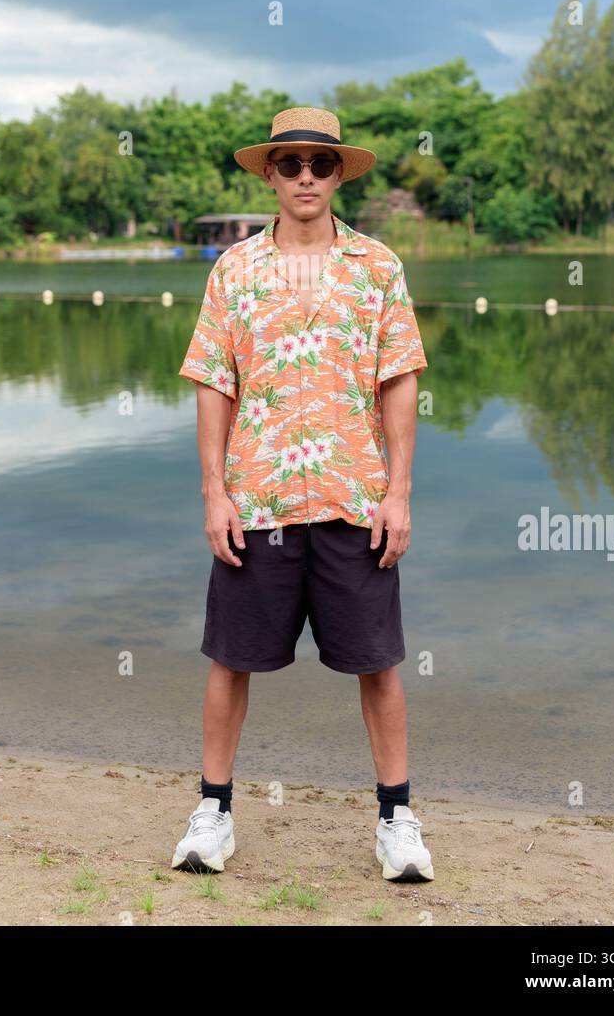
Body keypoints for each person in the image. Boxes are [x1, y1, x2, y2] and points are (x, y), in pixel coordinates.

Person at [172, 107, 433, 882]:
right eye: (290, 164)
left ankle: (397, 822)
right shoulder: (234, 270)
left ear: (340, 172)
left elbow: (400, 378)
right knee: (230, 660)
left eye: (321, 164)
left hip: (356, 497)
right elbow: (214, 384)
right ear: (269, 175)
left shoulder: (377, 266)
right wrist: (215, 492)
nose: (307, 177)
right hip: (257, 503)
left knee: (378, 664)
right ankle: (212, 815)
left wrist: (400, 494)